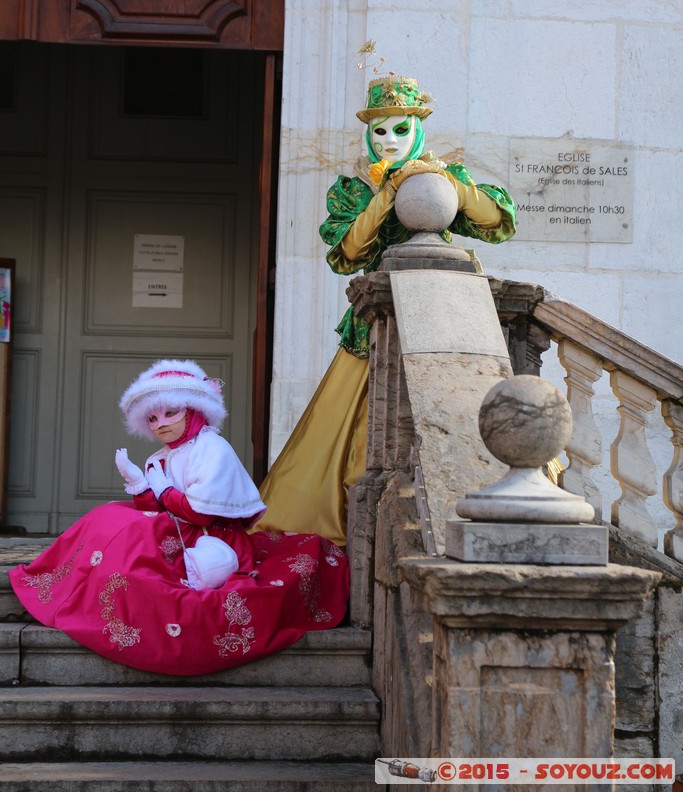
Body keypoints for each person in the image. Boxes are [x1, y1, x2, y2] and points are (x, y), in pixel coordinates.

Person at [254, 75, 517, 547]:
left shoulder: (437, 176)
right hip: (375, 327)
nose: (389, 140)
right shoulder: (352, 190)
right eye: (380, 131)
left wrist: (446, 184)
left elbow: (498, 222)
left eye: (400, 129)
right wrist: (386, 196)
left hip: (442, 322)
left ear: (417, 130)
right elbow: (349, 253)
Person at [10, 360, 349, 676]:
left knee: (131, 535)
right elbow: (157, 506)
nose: (161, 425)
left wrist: (159, 488)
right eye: (153, 419)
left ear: (195, 411)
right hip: (176, 529)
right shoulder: (163, 456)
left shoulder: (212, 449)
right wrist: (140, 482)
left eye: (170, 413)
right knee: (108, 515)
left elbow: (200, 510)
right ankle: (66, 585)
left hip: (210, 537)